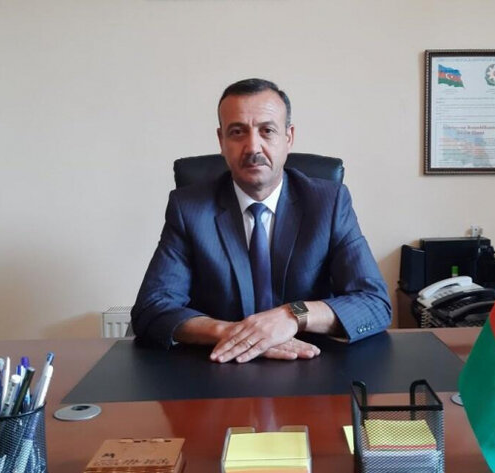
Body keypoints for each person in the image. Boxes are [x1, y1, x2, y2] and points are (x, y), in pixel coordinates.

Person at [131, 78, 391, 363]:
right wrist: (239, 335)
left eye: (267, 131)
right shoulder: (189, 208)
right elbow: (152, 309)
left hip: (311, 365)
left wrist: (292, 315)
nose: (253, 147)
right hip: (220, 367)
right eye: (237, 132)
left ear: (288, 137)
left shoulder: (329, 203)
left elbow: (374, 303)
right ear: (221, 141)